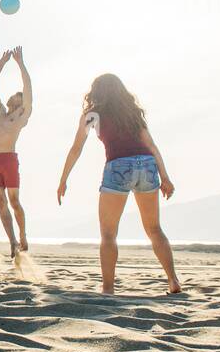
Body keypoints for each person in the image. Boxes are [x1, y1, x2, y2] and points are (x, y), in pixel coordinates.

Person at [56, 74, 182, 294]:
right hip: (147, 166)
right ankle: (173, 281)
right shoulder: (133, 113)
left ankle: (108, 288)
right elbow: (151, 146)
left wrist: (63, 179)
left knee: (108, 234)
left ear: (96, 92)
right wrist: (165, 177)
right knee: (154, 228)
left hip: (119, 166)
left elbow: (77, 147)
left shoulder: (92, 114)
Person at [0, 46, 32, 256]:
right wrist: (2, 63)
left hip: (9, 160)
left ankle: (22, 235)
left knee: (14, 201)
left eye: (20, 97)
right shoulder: (0, 112)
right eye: (16, 95)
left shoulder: (21, 117)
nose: (17, 97)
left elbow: (28, 88)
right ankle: (12, 241)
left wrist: (20, 63)